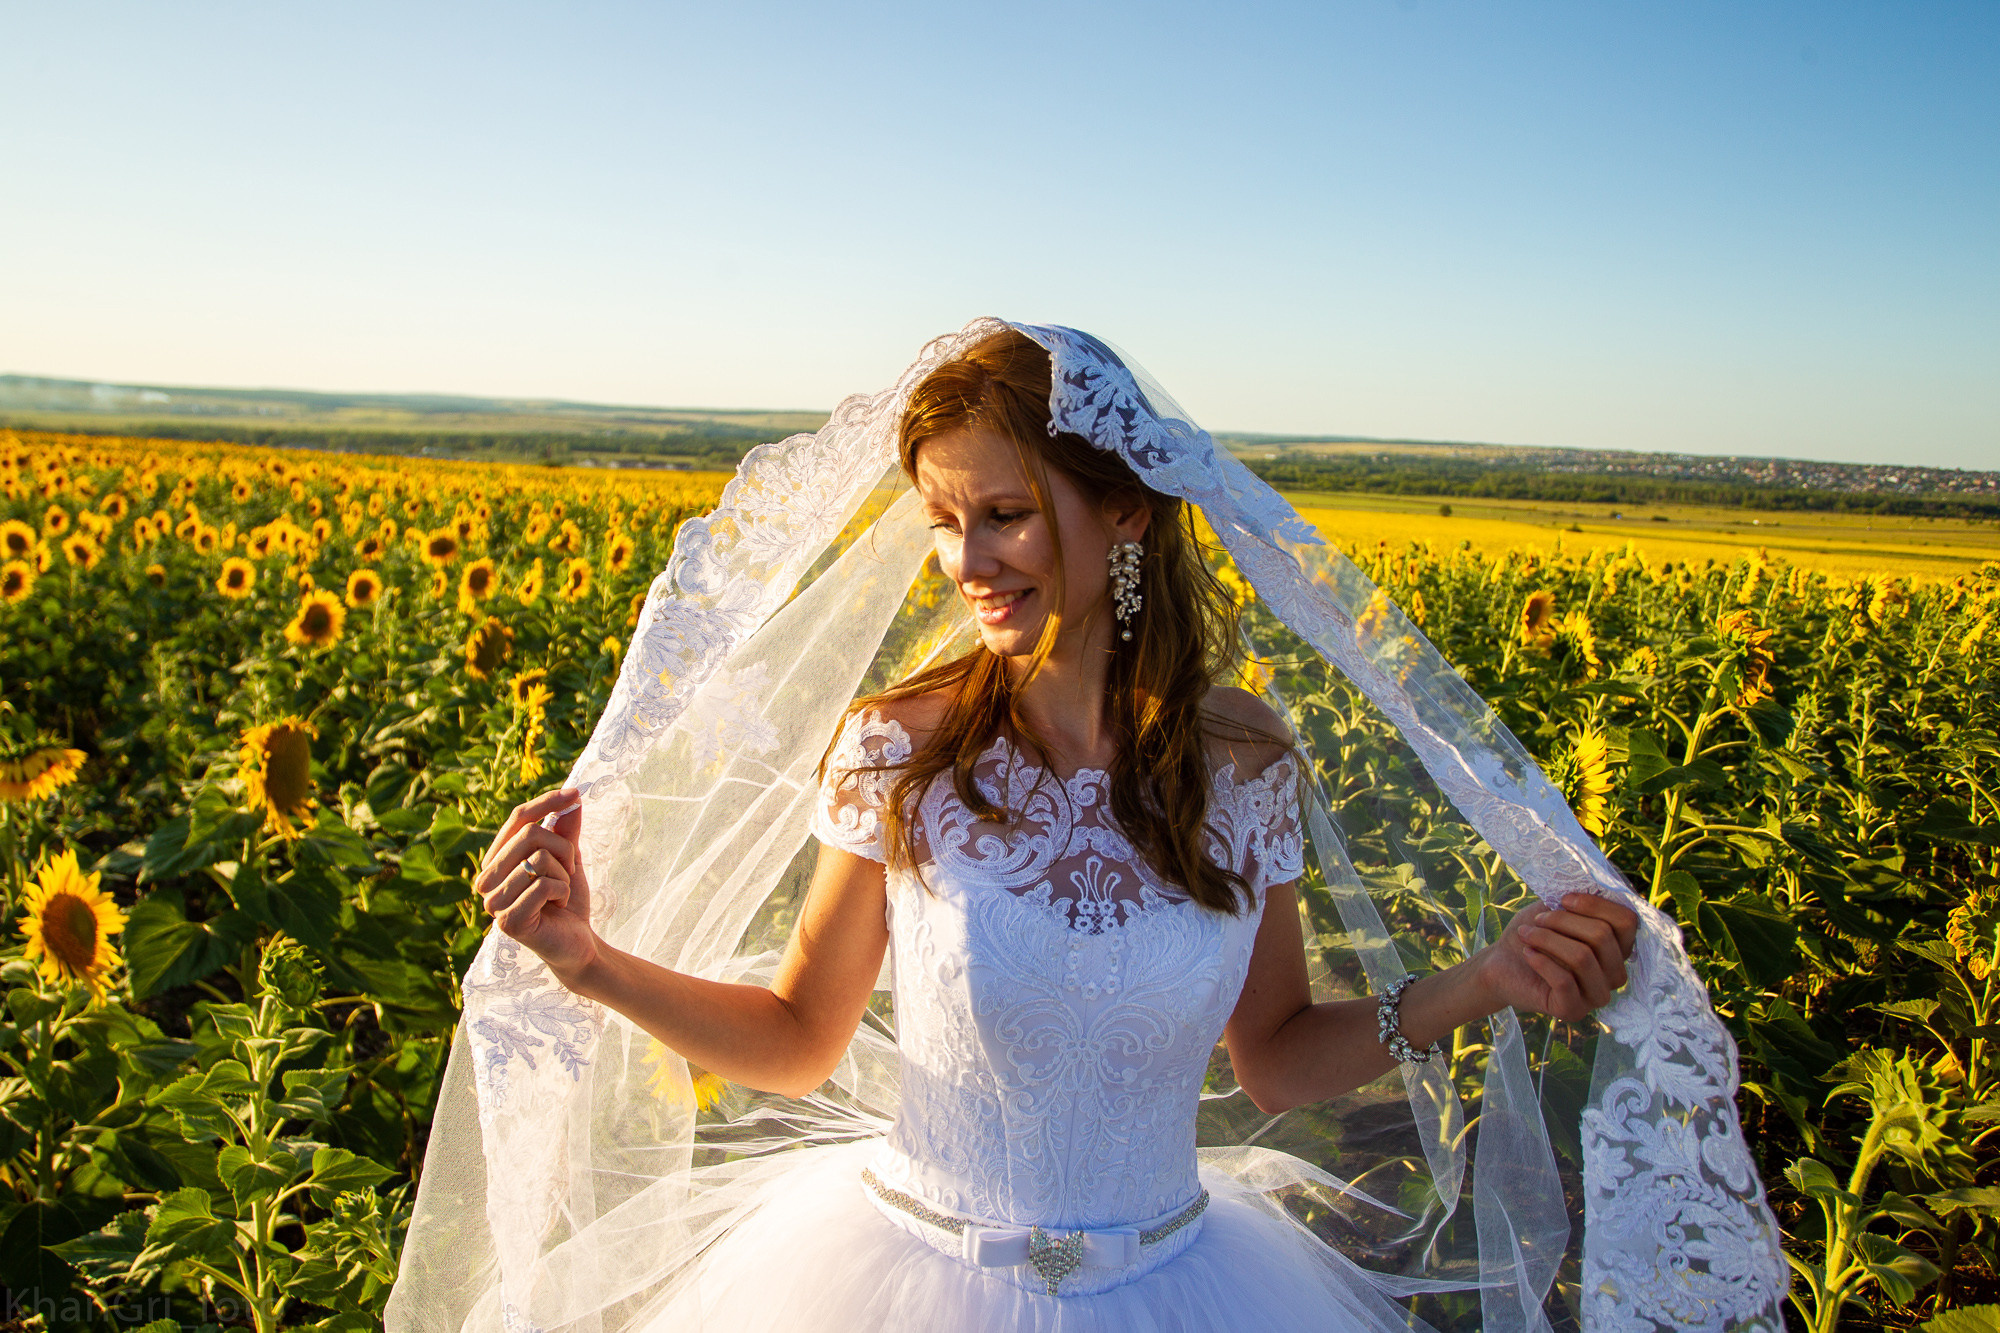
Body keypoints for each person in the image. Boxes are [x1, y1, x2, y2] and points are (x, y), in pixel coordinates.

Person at [385, 320, 1788, 1333]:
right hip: (895, 1286)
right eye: (944, 519)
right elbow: (802, 1039)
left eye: (1002, 512)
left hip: (1189, 1283)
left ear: (1122, 509)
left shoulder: (1239, 766)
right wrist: (589, 960)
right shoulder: (900, 748)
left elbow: (1279, 1057)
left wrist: (1484, 982)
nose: (965, 559)